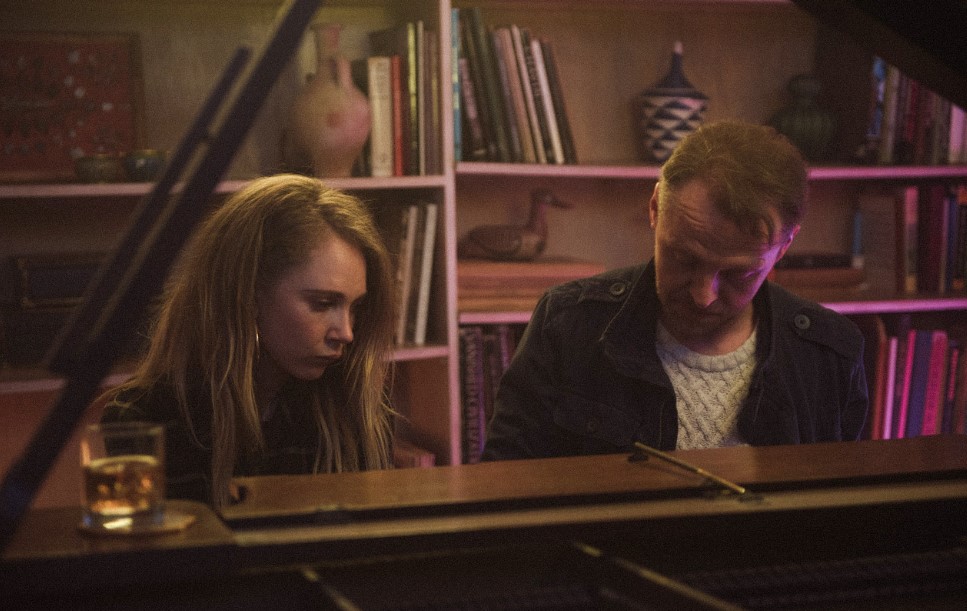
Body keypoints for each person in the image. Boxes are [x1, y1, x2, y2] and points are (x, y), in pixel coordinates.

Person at [482, 120, 868, 460]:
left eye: (738, 275)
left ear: (784, 246)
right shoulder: (567, 324)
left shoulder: (829, 353)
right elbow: (505, 489)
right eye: (684, 259)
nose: (703, 295)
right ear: (655, 207)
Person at [100, 174, 397, 509]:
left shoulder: (355, 407)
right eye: (322, 304)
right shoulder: (145, 419)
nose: (346, 333)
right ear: (248, 296)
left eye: (355, 308)